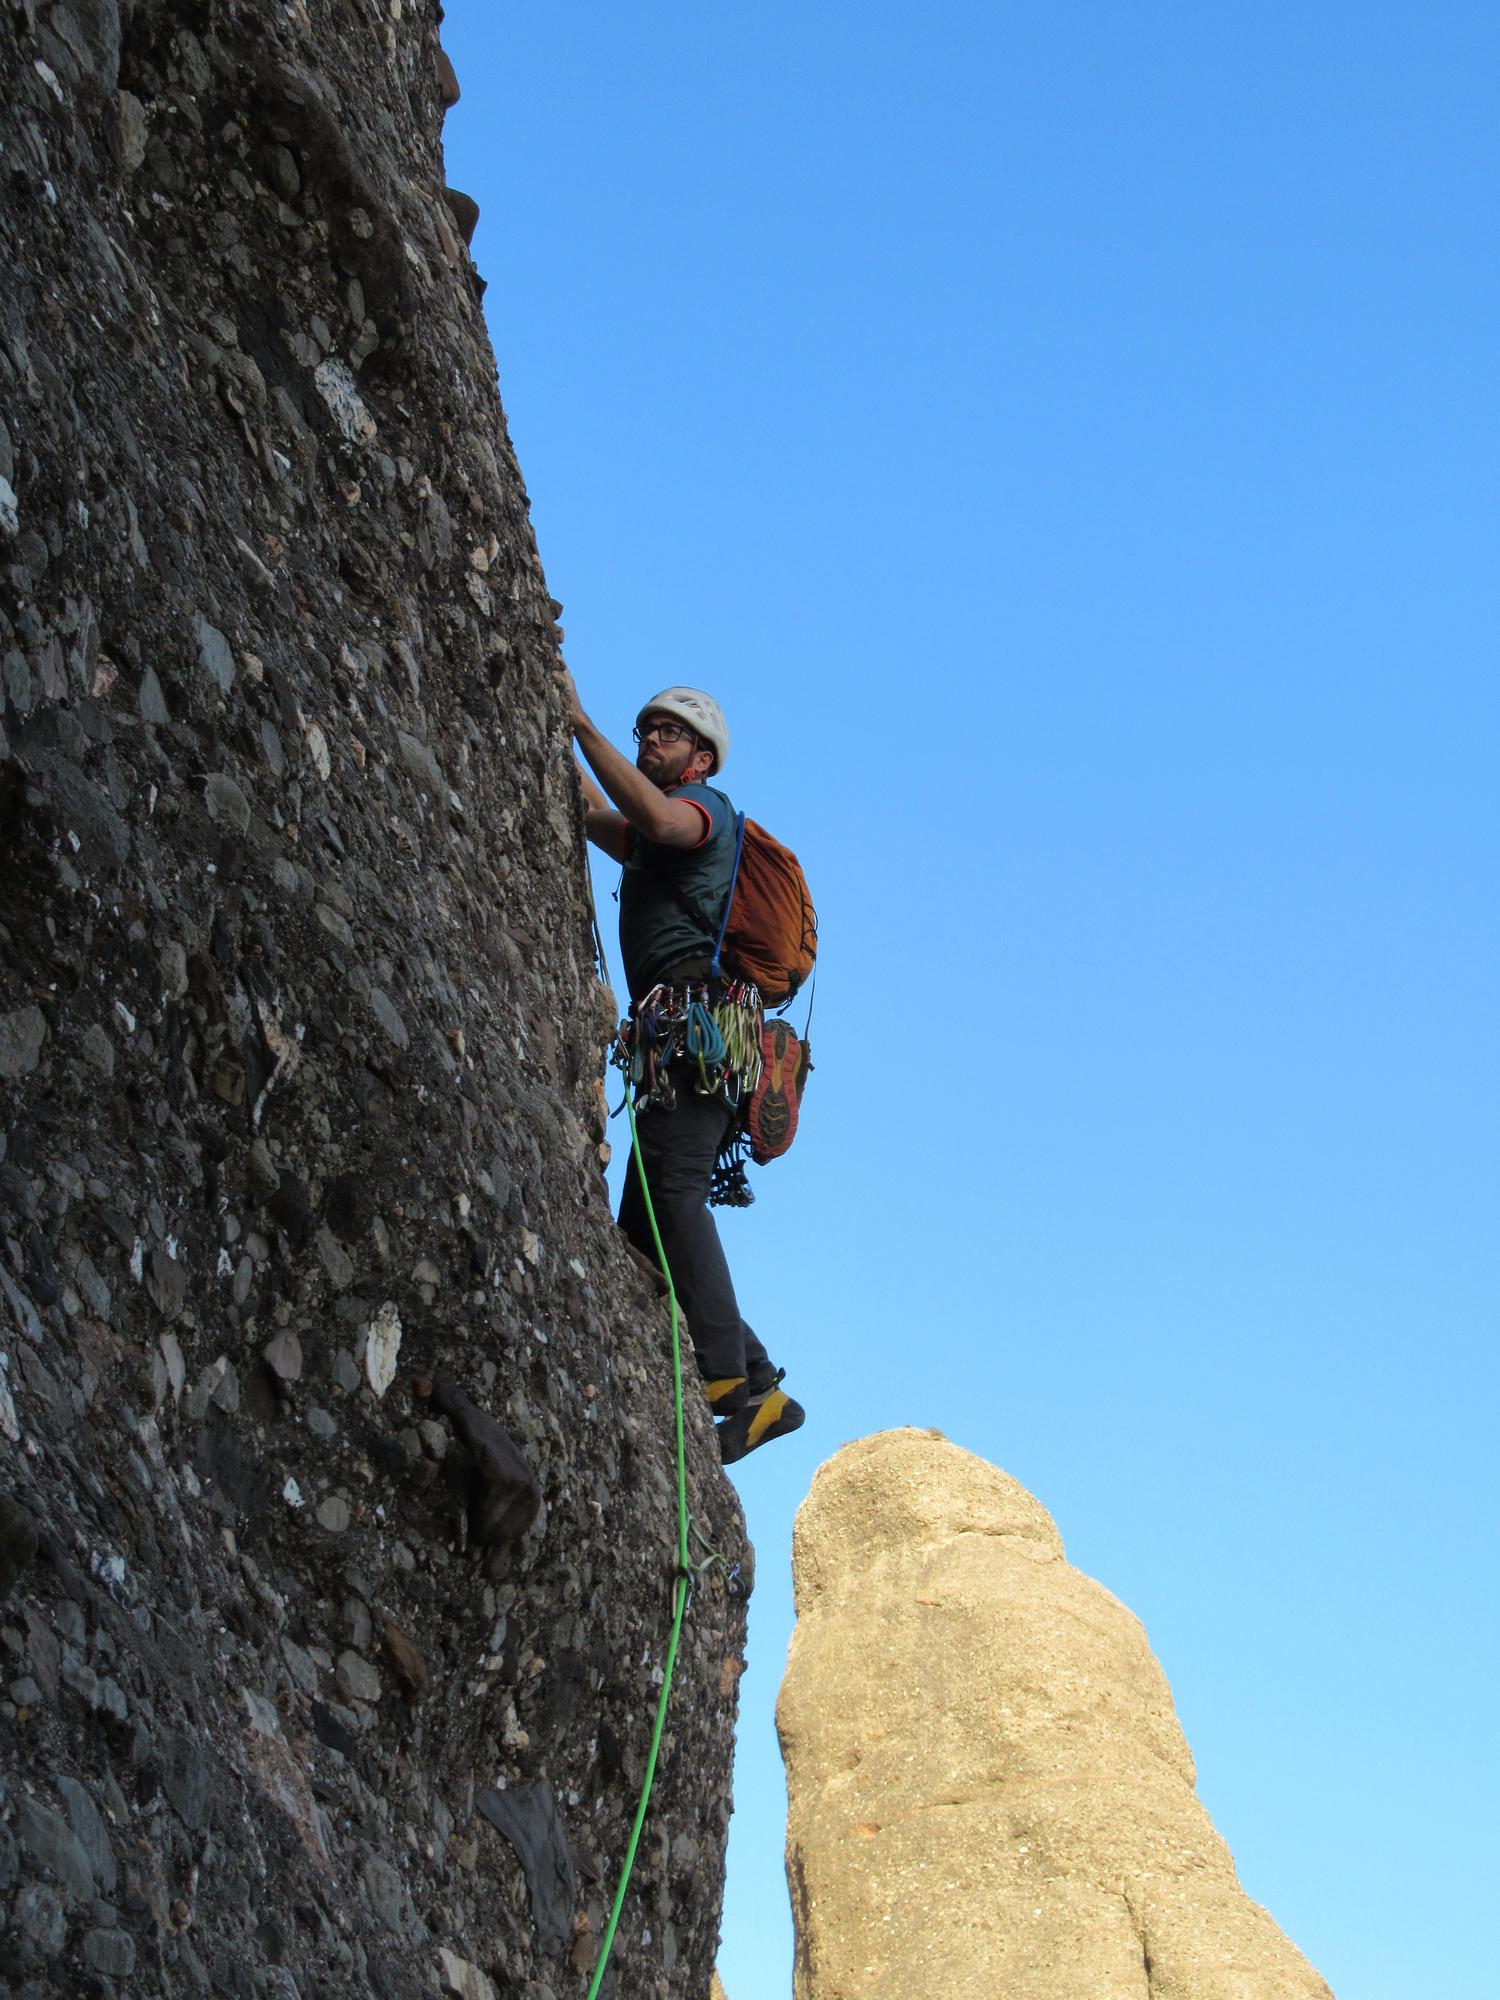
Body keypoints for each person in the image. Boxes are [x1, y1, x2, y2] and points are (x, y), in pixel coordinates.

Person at [564, 675, 805, 1464]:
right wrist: (556, 740)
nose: (649, 742)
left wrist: (581, 723)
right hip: (683, 1038)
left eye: (665, 735)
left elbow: (656, 818)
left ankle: (727, 1383)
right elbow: (605, 816)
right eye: (643, 733)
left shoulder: (705, 813)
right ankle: (764, 1386)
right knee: (643, 1232)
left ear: (701, 758)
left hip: (699, 1033)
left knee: (672, 1192)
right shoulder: (657, 831)